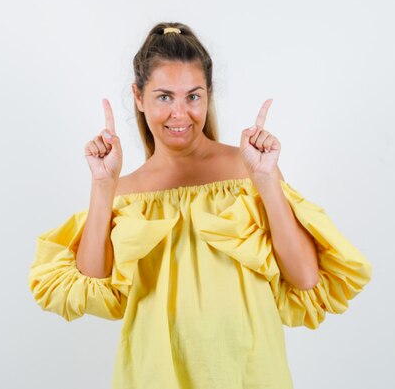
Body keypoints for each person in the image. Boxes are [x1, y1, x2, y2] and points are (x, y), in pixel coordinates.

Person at [28, 22, 372, 389]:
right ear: (138, 97)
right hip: (154, 376)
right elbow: (92, 285)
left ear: (208, 95)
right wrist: (102, 186)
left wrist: (267, 179)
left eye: (193, 96)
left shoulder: (247, 169)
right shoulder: (123, 191)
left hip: (249, 374)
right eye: (164, 97)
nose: (180, 114)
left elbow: (306, 279)